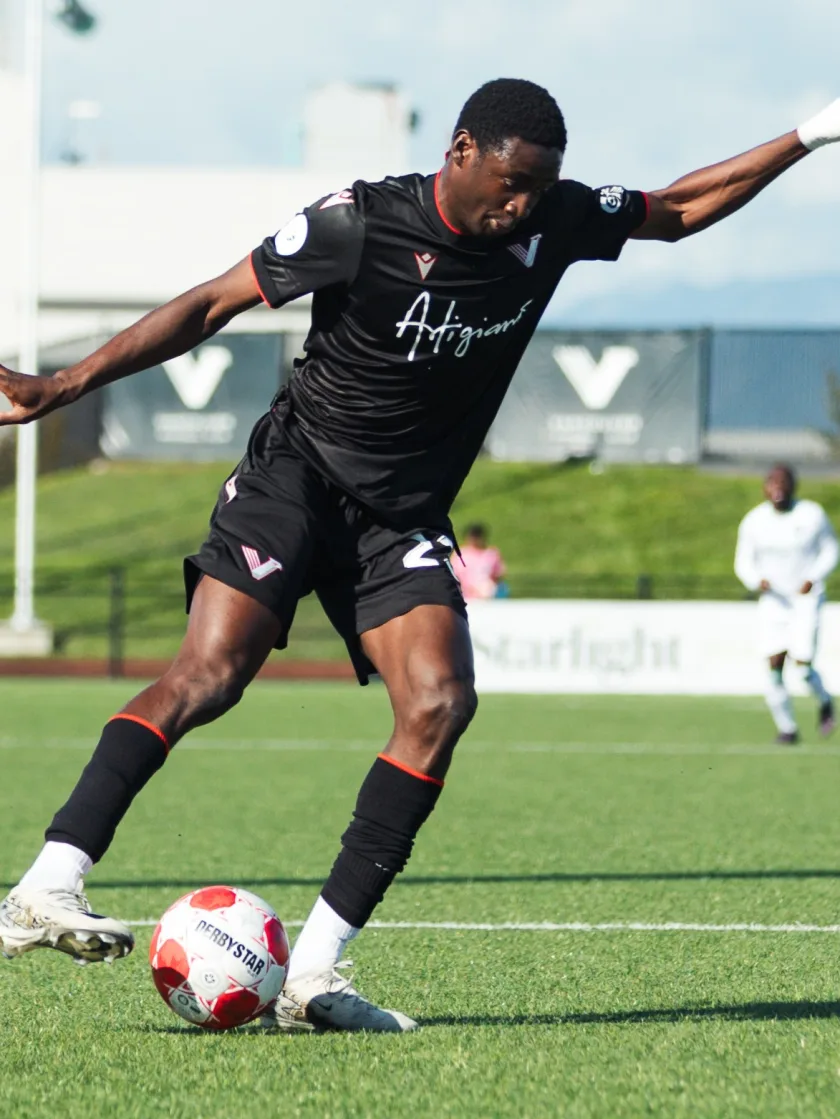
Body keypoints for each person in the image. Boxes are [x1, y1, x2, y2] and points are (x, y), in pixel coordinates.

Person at [2, 78, 840, 1032]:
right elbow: (209, 305)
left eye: (539, 190)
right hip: (296, 478)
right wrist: (63, 384)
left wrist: (814, 134)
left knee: (441, 703)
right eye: (511, 184)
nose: (522, 207)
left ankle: (314, 972)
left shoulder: (553, 220)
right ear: (462, 151)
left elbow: (682, 208)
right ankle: (47, 885)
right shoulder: (359, 222)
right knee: (208, 674)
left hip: (399, 514)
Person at [735, 463, 838, 745]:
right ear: (765, 488)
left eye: (784, 482)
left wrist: (813, 577)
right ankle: (787, 728)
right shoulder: (754, 521)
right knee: (774, 664)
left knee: (803, 666)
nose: (778, 487)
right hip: (774, 602)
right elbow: (743, 561)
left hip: (805, 600)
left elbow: (831, 549)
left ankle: (825, 700)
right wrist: (756, 581)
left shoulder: (811, 514)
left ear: (794, 485)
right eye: (772, 482)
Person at [453, 523, 507, 600]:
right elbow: (455, 574)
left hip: (487, 596)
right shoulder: (461, 554)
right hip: (465, 597)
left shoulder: (491, 553)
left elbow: (498, 574)